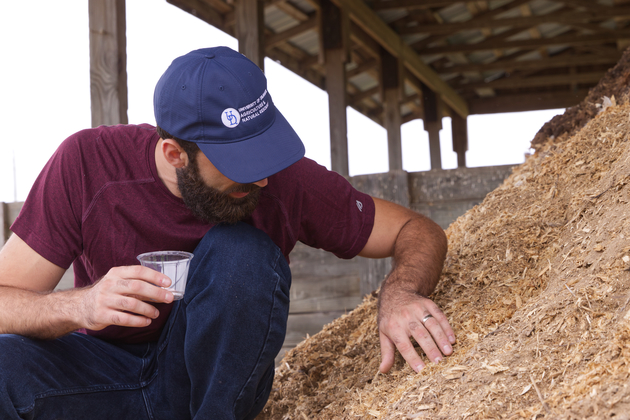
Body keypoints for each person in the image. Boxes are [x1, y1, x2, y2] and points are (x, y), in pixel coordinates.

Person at [0, 46, 455, 419]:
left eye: (263, 150)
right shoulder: (88, 162)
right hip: (105, 373)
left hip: (219, 392)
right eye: (240, 162)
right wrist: (82, 303)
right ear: (174, 154)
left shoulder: (282, 177)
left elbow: (417, 229)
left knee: (241, 252)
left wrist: (400, 292)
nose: (260, 178)